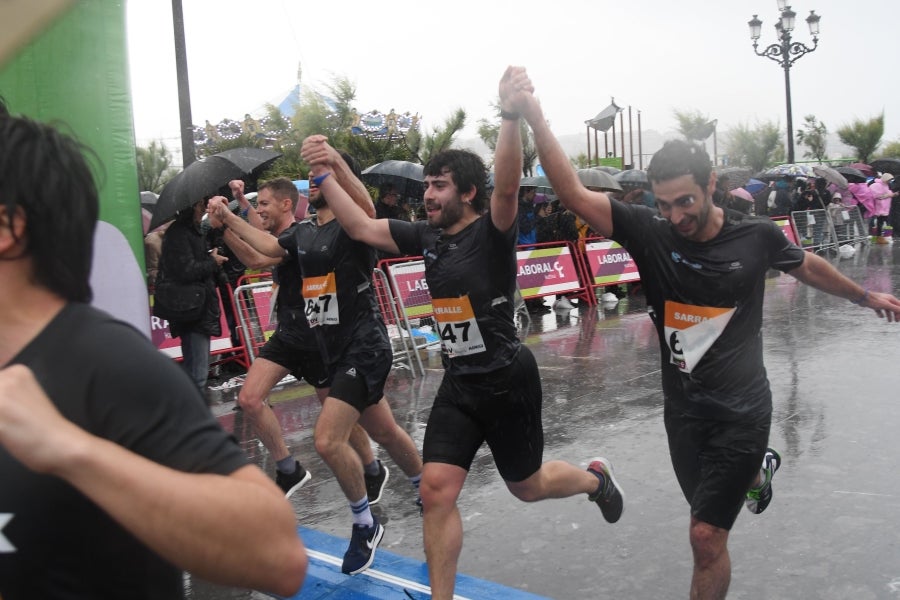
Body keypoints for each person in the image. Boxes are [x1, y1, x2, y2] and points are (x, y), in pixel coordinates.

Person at [512, 69, 900, 600]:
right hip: (685, 411)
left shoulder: (756, 236)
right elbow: (574, 194)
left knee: (704, 536)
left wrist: (864, 296)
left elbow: (805, 264)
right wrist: (534, 115)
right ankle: (756, 472)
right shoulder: (650, 231)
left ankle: (750, 464)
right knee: (706, 516)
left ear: (710, 184)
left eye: (685, 202)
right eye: (664, 204)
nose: (675, 216)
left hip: (743, 410)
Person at [299, 66, 624, 600]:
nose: (427, 194)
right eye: (426, 184)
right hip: (460, 384)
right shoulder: (426, 235)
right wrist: (326, 173)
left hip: (506, 379)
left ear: (468, 193)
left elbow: (510, 182)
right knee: (435, 489)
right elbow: (359, 227)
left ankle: (595, 479)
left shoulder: (492, 230)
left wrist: (509, 115)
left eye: (438, 185)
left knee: (527, 485)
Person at [0, 114, 306, 598]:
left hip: (299, 334)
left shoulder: (104, 366)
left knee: (213, 385)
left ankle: (296, 468)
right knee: (235, 394)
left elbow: (278, 557)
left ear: (8, 226)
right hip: (204, 317)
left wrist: (68, 449)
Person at [208, 154, 423, 577]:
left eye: (321, 176)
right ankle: (424, 486)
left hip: (364, 346)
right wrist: (228, 219)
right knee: (382, 429)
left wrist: (333, 162)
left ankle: (365, 522)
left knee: (327, 440)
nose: (314, 180)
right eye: (311, 177)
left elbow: (363, 204)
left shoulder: (355, 224)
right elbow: (267, 249)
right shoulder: (304, 231)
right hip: (327, 347)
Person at [221, 177, 389, 501]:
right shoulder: (284, 234)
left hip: (319, 334)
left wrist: (227, 224)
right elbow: (260, 236)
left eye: (264, 204)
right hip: (288, 333)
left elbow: (257, 257)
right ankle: (288, 469)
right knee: (249, 399)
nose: (259, 211)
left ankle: (371, 467)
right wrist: (235, 212)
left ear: (287, 204)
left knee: (339, 413)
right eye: (257, 206)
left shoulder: (302, 233)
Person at [159, 196, 228, 394]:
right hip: (191, 309)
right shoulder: (180, 232)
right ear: (195, 205)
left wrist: (210, 259)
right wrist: (212, 262)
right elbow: (186, 270)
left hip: (196, 307)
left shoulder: (191, 231)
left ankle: (190, 418)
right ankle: (195, 420)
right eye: (202, 204)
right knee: (197, 375)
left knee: (195, 371)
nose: (205, 208)